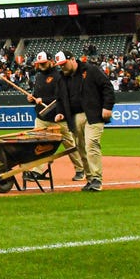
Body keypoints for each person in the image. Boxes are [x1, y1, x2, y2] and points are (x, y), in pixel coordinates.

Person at [55, 50, 115, 192]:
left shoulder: (91, 70)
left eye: (64, 64)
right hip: (74, 117)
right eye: (60, 65)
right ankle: (89, 179)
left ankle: (96, 179)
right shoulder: (62, 78)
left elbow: (107, 87)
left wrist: (107, 107)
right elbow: (59, 99)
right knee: (81, 149)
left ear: (73, 59)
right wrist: (60, 112)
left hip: (93, 115)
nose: (62, 67)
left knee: (91, 144)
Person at [27, 51, 86, 181]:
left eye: (43, 63)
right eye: (39, 64)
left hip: (58, 117)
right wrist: (32, 98)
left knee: (70, 145)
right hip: (41, 118)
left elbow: (60, 98)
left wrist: (44, 100)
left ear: (51, 61)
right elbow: (36, 94)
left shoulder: (59, 76)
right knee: (39, 144)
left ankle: (80, 169)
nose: (41, 66)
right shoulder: (38, 77)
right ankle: (37, 171)